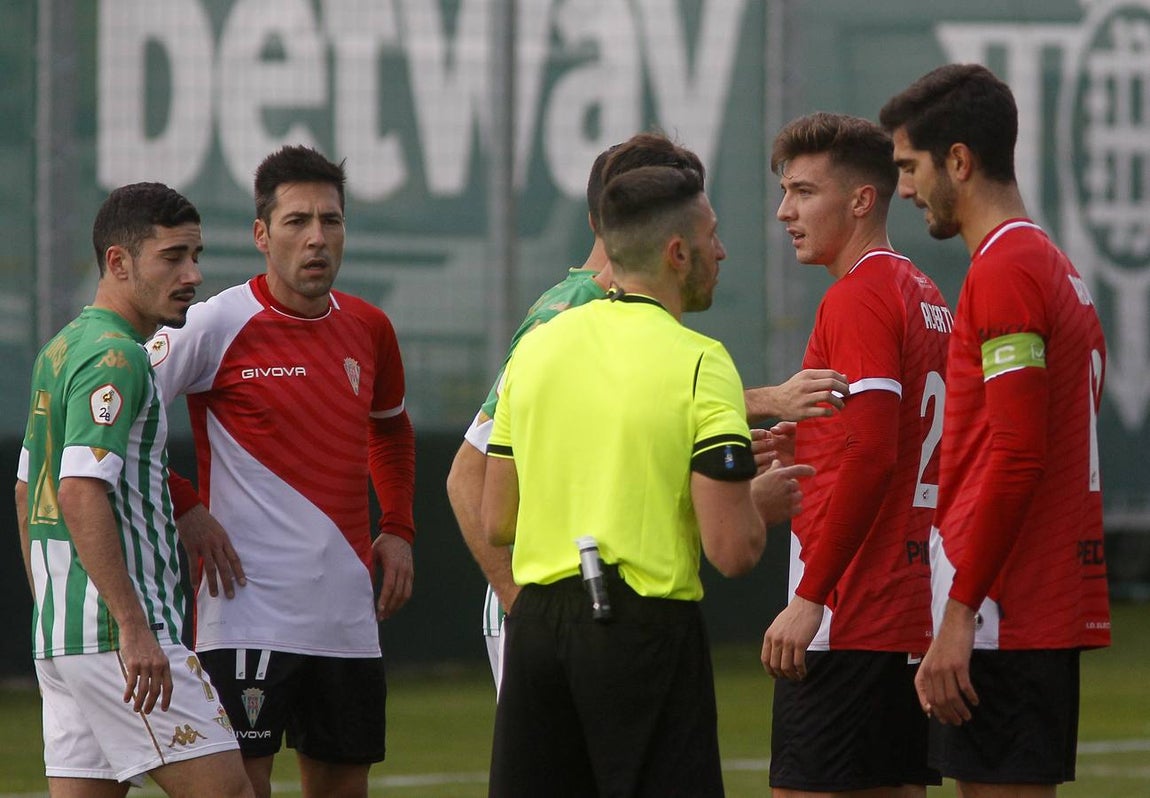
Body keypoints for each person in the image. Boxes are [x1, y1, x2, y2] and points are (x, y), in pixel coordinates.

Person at [446, 132, 849, 688]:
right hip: (566, 603)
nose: (718, 249)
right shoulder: (565, 317)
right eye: (704, 228)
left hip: (575, 608)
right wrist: (519, 601)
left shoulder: (618, 322)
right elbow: (468, 477)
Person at [482, 162, 815, 797]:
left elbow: (497, 517)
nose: (722, 251)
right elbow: (733, 550)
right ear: (677, 253)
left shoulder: (536, 347)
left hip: (537, 632)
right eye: (712, 236)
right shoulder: (702, 362)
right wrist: (755, 503)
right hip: (640, 632)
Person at [148, 145, 416, 798]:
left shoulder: (370, 327)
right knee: (243, 787)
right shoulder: (213, 323)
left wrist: (399, 526)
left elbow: (390, 429)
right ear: (262, 235)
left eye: (331, 220)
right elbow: (121, 421)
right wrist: (185, 504)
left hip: (346, 615)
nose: (317, 237)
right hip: (246, 613)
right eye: (297, 221)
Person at [880, 64, 1111, 795]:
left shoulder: (1007, 269)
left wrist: (961, 612)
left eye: (910, 167)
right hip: (1020, 600)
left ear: (958, 160)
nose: (904, 189)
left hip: (1006, 608)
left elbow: (1017, 455)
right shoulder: (1048, 264)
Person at [13, 183, 253, 797]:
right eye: (172, 257)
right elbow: (77, 492)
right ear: (118, 262)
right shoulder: (117, 357)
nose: (192, 275)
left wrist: (53, 607)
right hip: (119, 635)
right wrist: (131, 624)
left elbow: (26, 490)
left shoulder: (61, 348)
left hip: (64, 637)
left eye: (195, 256)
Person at [761, 112, 950, 797]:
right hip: (908, 607)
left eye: (804, 192)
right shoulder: (924, 293)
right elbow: (896, 437)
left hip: (852, 612)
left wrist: (811, 597)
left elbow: (874, 454)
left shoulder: (858, 297)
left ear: (862, 200)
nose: (785, 211)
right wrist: (814, 440)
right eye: (786, 192)